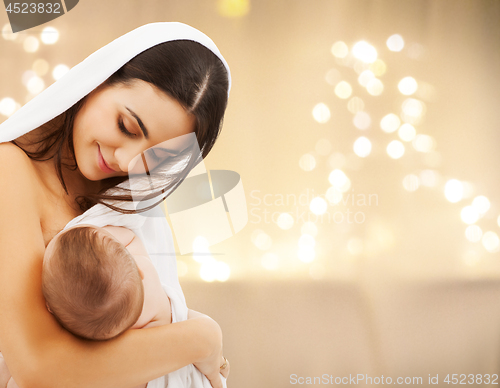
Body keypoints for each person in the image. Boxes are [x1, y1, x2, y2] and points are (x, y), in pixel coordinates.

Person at [0, 22, 231, 388]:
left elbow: (146, 315)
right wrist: (202, 338)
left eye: (157, 158)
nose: (128, 162)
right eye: (126, 126)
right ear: (97, 80)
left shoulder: (128, 198)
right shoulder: (9, 170)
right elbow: (38, 367)